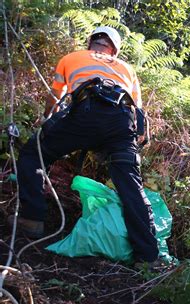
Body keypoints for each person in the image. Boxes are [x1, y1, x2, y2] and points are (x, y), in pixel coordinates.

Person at [7, 26, 160, 266]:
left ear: (91, 43)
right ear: (115, 50)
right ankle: (149, 256)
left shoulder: (72, 58)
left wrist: (48, 121)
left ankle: (32, 219)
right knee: (130, 184)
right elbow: (137, 110)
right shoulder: (127, 69)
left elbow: (55, 99)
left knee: (34, 153)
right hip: (121, 124)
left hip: (84, 114)